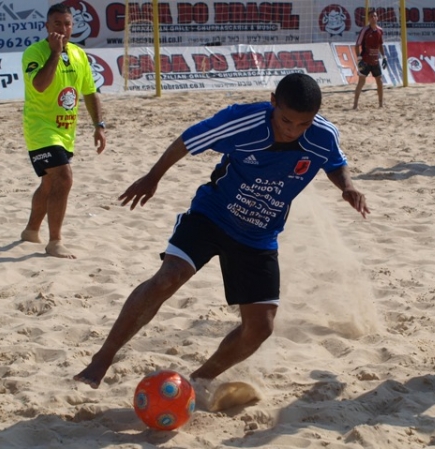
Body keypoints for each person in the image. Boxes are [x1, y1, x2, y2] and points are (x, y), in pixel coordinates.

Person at [74, 74, 370, 397]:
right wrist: (153, 176)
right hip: (212, 215)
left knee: (260, 328)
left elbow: (335, 162)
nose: (293, 130)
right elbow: (187, 140)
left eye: (303, 124)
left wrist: (348, 186)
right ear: (273, 101)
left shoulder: (323, 134)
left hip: (259, 235)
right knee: (167, 278)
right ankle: (102, 358)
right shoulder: (242, 121)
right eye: (286, 120)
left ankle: (198, 379)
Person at [20, 2, 107, 259]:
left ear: (72, 26)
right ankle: (55, 242)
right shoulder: (34, 53)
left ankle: (31, 231)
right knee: (64, 177)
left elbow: (90, 93)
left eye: (67, 24)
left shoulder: (79, 54)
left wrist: (99, 126)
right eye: (56, 24)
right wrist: (55, 53)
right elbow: (40, 85)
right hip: (40, 129)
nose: (62, 28)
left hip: (65, 131)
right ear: (47, 26)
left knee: (49, 183)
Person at [353, 10, 387, 110]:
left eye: (375, 16)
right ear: (368, 19)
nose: (373, 18)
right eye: (371, 16)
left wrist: (384, 57)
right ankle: (355, 105)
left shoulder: (380, 30)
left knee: (379, 81)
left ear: (377, 18)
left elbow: (380, 45)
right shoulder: (365, 30)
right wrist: (359, 59)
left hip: (375, 60)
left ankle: (381, 104)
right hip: (365, 60)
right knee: (361, 82)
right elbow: (357, 45)